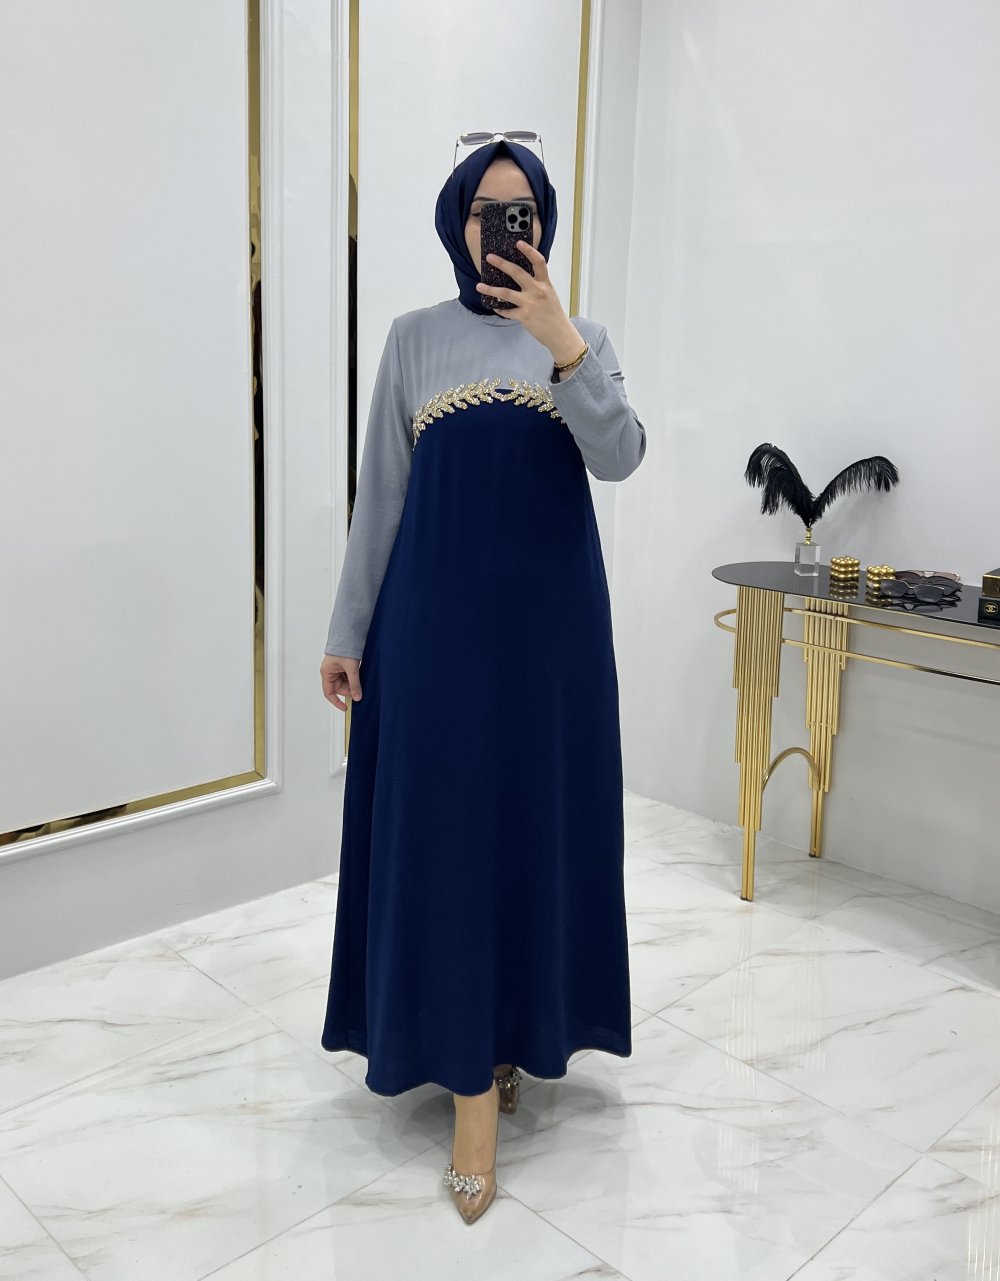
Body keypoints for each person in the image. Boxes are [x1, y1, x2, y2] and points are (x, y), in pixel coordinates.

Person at [318, 135, 647, 1225]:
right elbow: (381, 496)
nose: (503, 229)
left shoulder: (580, 336)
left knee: (529, 831)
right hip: (434, 642)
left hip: (550, 647)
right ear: (455, 221)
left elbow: (621, 456)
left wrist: (561, 342)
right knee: (451, 840)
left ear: (543, 223)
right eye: (483, 211)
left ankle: (510, 1037)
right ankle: (467, 1089)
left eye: (523, 212)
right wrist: (347, 630)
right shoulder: (413, 339)